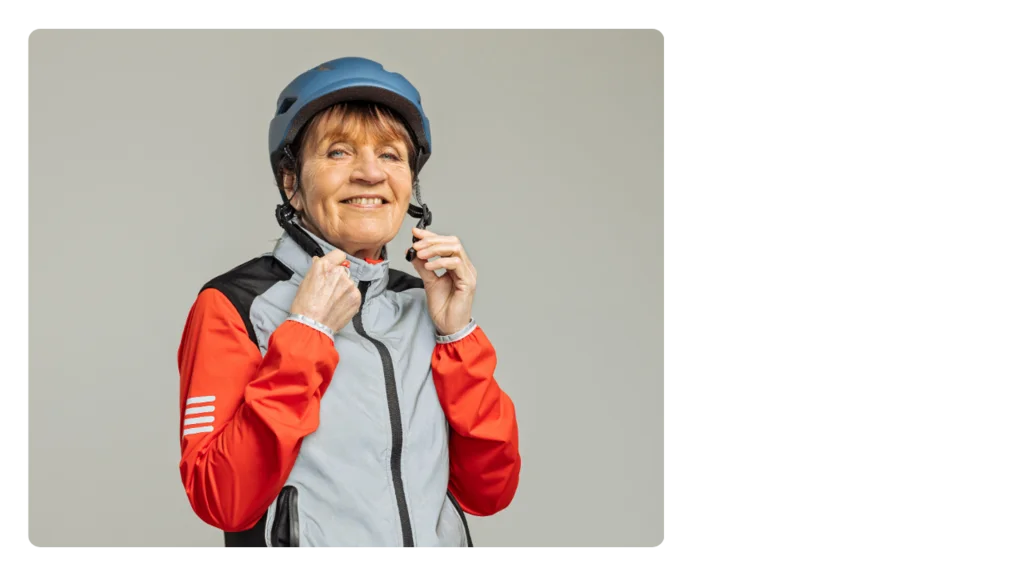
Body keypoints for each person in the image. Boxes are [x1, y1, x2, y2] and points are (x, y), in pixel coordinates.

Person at [175, 56, 521, 551]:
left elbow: (490, 491)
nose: (370, 174)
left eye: (390, 155)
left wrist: (457, 336)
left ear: (410, 184)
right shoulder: (235, 304)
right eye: (338, 152)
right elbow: (221, 499)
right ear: (292, 183)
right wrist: (306, 334)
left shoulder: (422, 301)